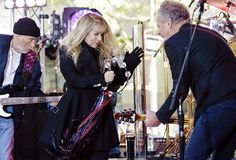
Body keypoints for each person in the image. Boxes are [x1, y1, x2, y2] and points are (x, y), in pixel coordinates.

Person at [40, 12, 144, 160]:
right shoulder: (67, 50)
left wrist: (128, 65)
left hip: (100, 113)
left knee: (99, 153)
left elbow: (115, 82)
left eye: (102, 34)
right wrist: (101, 78)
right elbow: (74, 80)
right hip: (77, 111)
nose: (100, 39)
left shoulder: (104, 51)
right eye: (96, 34)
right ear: (84, 31)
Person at [144, 1, 236, 160]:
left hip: (221, 105)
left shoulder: (175, 41)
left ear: (169, 23)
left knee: (192, 157)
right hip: (231, 104)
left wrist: (159, 116)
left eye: (159, 26)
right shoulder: (210, 34)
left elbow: (180, 88)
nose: (160, 32)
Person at [0, 17, 47, 160]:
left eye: (35, 41)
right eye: (30, 40)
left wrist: (44, 101)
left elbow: (34, 88)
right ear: (16, 36)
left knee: (6, 155)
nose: (33, 45)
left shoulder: (32, 60)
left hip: (9, 111)